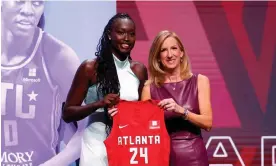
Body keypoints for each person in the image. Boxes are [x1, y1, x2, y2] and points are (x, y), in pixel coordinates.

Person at [1, 1, 82, 165]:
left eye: (37, 2)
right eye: (19, 1)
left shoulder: (59, 56)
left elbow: (89, 128)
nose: (28, 11)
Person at [62, 13, 148, 166]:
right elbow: (68, 113)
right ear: (109, 34)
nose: (127, 38)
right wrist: (98, 104)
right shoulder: (90, 68)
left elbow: (144, 113)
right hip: (96, 147)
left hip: (127, 146)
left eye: (132, 33)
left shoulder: (139, 70)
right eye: (121, 32)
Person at [141, 30, 212, 166]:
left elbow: (208, 123)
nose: (170, 55)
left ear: (181, 53)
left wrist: (182, 111)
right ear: (157, 57)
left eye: (174, 48)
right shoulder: (149, 88)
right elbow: (144, 129)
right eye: (163, 50)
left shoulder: (200, 81)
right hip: (162, 157)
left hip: (195, 157)